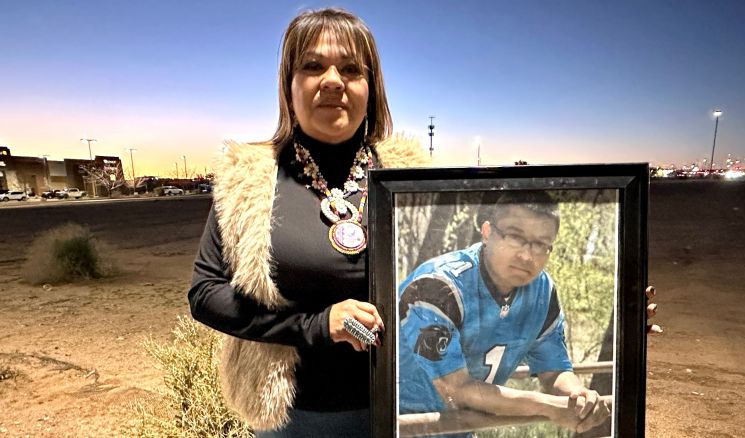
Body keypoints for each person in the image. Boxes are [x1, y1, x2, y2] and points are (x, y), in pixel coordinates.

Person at [188, 8, 427, 437]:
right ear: (289, 85)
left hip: (403, 409)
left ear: (371, 89)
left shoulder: (412, 179)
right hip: (296, 420)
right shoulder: (249, 178)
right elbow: (205, 294)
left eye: (351, 69)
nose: (332, 80)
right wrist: (316, 325)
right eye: (313, 66)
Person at [398, 191, 612, 434]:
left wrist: (579, 397)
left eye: (541, 244)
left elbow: (554, 372)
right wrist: (551, 406)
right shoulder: (437, 286)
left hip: (460, 430)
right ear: (487, 232)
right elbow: (456, 390)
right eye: (514, 237)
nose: (526, 255)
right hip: (395, 426)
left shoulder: (542, 292)